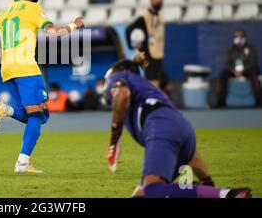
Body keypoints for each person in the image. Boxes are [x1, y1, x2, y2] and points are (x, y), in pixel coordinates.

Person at [103, 52, 252, 198]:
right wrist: (208, 182)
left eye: (107, 78)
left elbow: (122, 95)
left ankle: (229, 195)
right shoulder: (149, 92)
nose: (106, 84)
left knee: (152, 191)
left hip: (160, 129)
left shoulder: (120, 78)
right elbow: (190, 152)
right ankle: (212, 192)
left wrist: (115, 137)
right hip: (185, 131)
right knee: (141, 195)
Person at [0, 0, 84, 173]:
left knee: (39, 115)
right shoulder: (33, 8)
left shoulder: (5, 12)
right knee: (38, 115)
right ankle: (22, 163)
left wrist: (0, 54)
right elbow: (53, 33)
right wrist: (74, 25)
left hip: (8, 70)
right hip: (26, 68)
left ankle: (6, 111)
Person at [126, 0, 165, 89]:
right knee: (151, 77)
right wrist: (133, 45)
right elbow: (129, 29)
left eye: (159, 1)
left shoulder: (160, 15)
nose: (158, 3)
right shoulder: (144, 17)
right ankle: (152, 97)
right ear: (151, 2)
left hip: (158, 51)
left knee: (157, 77)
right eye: (156, 1)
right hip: (148, 51)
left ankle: (156, 97)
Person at [216, 28, 261, 107]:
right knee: (222, 75)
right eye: (236, 37)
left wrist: (243, 70)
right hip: (234, 71)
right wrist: (234, 71)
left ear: (244, 37)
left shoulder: (251, 47)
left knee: (255, 75)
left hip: (248, 70)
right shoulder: (230, 48)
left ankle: (259, 101)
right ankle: (221, 101)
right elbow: (227, 63)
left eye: (240, 36)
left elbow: (253, 62)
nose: (238, 38)